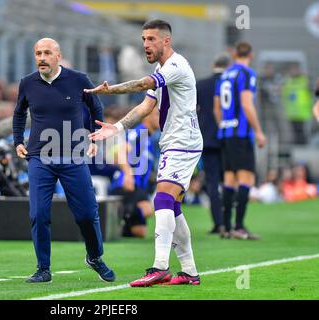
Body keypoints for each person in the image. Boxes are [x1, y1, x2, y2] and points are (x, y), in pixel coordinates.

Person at [85, 20, 202, 286]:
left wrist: (111, 90)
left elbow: (142, 84)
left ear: (166, 41)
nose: (146, 45)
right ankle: (189, 271)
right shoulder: (163, 70)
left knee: (161, 199)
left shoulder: (175, 66)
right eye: (143, 39)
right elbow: (145, 106)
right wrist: (116, 127)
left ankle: (159, 266)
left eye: (151, 39)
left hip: (183, 141)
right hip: (175, 142)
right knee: (172, 206)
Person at [13, 38, 115, 283]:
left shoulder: (78, 80)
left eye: (47, 53)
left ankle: (94, 257)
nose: (41, 57)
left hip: (73, 156)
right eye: (38, 53)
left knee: (87, 215)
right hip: (39, 157)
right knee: (38, 213)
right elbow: (19, 113)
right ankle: (43, 268)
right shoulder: (27, 83)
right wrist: (17, 141)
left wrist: (93, 139)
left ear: (58, 56)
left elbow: (96, 109)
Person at [213, 41, 266, 240]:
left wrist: (224, 125)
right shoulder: (246, 74)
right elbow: (246, 104)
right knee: (246, 179)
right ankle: (239, 226)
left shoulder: (225, 75)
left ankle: (225, 227)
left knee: (229, 179)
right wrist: (259, 131)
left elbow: (217, 108)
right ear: (250, 55)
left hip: (225, 133)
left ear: (235, 54)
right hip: (241, 134)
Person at [109, 107, 159, 238]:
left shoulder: (150, 139)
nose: (160, 118)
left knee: (139, 232)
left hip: (139, 188)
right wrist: (128, 174)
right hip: (126, 185)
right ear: (147, 116)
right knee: (147, 209)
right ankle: (122, 213)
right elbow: (120, 152)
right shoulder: (139, 132)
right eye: (157, 114)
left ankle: (119, 226)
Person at [196, 53, 231, 234]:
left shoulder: (201, 85)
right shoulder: (231, 85)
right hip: (229, 138)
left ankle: (218, 223)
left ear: (213, 65)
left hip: (207, 138)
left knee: (212, 182)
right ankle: (229, 222)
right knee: (229, 181)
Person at [282, 64, 312, 144]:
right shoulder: (288, 81)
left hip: (301, 111)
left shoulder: (304, 80)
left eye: (295, 69)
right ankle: (297, 143)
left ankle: (303, 144)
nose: (293, 72)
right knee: (294, 130)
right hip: (292, 111)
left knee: (301, 130)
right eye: (292, 70)